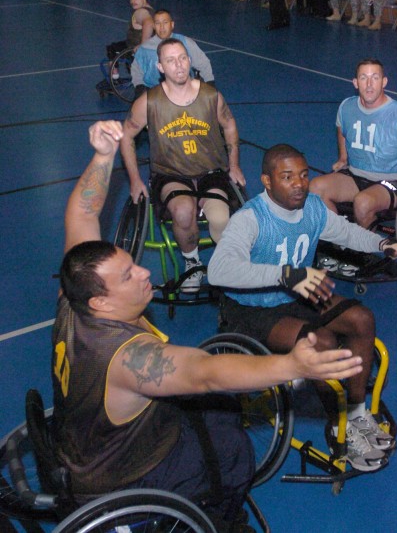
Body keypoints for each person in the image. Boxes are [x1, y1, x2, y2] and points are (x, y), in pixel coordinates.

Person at [52, 121, 364, 532]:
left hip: (83, 443)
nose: (145, 272)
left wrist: (103, 156)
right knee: (230, 452)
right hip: (128, 474)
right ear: (102, 301)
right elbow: (204, 373)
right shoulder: (126, 357)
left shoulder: (74, 296)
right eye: (129, 276)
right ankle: (229, 522)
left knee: (221, 415)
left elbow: (84, 211)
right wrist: (293, 367)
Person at [208, 144, 397, 472]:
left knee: (361, 319)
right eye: (287, 177)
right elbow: (218, 271)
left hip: (297, 297)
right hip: (251, 311)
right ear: (267, 181)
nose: (299, 183)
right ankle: (338, 424)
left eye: (304, 175)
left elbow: (346, 233)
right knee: (320, 343)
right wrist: (287, 274)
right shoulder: (250, 219)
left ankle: (354, 414)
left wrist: (384, 244)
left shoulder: (312, 208)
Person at [121, 38, 244, 292]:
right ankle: (192, 263)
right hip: (171, 174)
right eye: (170, 60)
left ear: (189, 60)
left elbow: (229, 125)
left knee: (221, 217)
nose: (178, 65)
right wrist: (134, 180)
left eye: (182, 58)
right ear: (160, 67)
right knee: (183, 211)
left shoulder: (211, 96)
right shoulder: (149, 102)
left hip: (210, 171)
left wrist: (234, 165)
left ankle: (229, 266)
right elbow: (126, 135)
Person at [309, 59, 397, 229]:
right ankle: (343, 238)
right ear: (355, 83)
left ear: (384, 82)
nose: (369, 84)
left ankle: (367, 249)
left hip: (394, 181)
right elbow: (341, 126)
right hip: (357, 175)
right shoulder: (346, 107)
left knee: (363, 203)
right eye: (364, 78)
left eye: (375, 78)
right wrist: (343, 157)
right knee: (316, 188)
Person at [131, 9, 215, 98]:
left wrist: (210, 83)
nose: (162, 27)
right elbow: (136, 69)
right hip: (154, 92)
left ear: (172, 24)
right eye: (158, 23)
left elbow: (204, 63)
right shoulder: (145, 48)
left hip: (183, 90)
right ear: (154, 26)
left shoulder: (185, 43)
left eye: (165, 22)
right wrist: (139, 86)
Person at [105, 0, 154, 76]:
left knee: (111, 49)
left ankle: (115, 76)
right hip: (148, 47)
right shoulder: (151, 10)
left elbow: (148, 23)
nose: (133, 1)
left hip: (133, 47)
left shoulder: (140, 12)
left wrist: (143, 44)